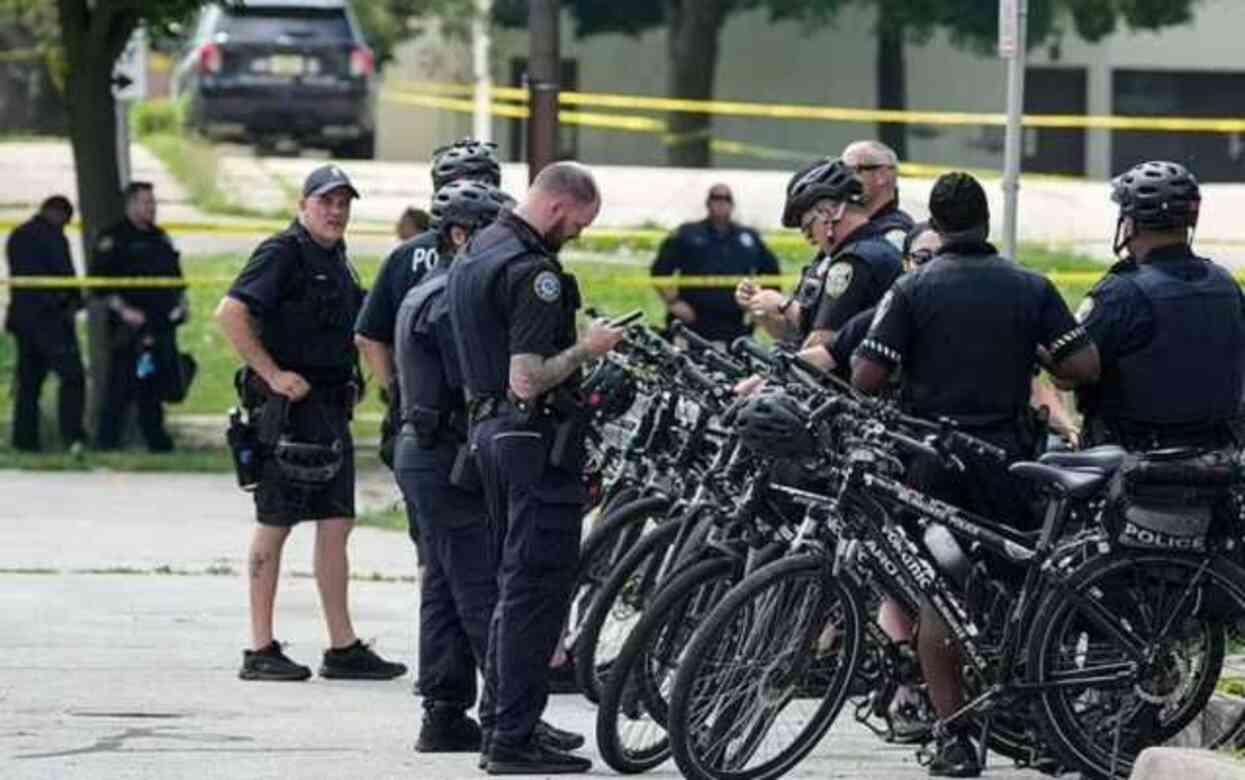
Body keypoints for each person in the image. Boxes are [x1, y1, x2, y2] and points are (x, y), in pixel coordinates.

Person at [852, 172, 1100, 777]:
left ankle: (957, 736)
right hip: (1010, 463)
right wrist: (1034, 352)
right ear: (987, 223)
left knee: (941, 592)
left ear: (934, 226)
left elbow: (865, 376)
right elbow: (1082, 364)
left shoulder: (914, 289)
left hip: (934, 464)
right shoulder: (1029, 285)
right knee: (1019, 581)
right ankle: (1039, 712)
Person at [448, 161, 623, 775]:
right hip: (531, 441)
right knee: (535, 592)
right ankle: (512, 740)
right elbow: (527, 378)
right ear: (556, 208)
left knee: (510, 587)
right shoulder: (535, 273)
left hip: (488, 438)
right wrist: (588, 349)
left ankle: (506, 722)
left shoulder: (478, 250)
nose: (575, 235)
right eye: (577, 224)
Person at [216, 163, 406, 683]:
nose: (336, 211)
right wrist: (273, 374)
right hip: (286, 415)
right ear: (303, 206)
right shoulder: (283, 252)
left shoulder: (337, 259)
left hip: (328, 409)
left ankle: (342, 647)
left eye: (344, 202)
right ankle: (259, 647)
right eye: (326, 201)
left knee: (337, 522)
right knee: (274, 525)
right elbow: (230, 313)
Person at [394, 180, 513, 752]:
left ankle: (443, 714)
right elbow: (479, 383)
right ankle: (511, 722)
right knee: (480, 590)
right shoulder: (449, 299)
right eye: (490, 232)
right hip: (445, 455)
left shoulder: (428, 288)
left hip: (425, 453)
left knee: (442, 588)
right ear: (461, 233)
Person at [354, 138, 502, 561]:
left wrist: (399, 389)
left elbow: (369, 335)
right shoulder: (494, 257)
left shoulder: (406, 255)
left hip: (419, 419)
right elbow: (367, 334)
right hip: (464, 421)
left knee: (433, 547)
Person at [1075, 160, 1245, 451]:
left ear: (1131, 223)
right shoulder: (1226, 284)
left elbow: (1070, 370)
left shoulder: (1121, 292)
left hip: (1133, 464)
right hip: (1219, 462)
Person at [739, 158, 903, 348]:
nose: (810, 240)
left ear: (828, 213)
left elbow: (820, 343)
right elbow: (795, 334)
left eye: (809, 228)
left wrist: (783, 305)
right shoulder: (835, 259)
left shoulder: (855, 260)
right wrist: (762, 310)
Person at [94, 182, 187, 452]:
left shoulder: (160, 238)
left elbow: (176, 278)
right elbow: (101, 284)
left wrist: (182, 304)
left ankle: (156, 441)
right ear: (131, 205)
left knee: (155, 386)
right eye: (146, 203)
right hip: (128, 326)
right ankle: (107, 442)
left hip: (160, 323)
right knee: (120, 385)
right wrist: (123, 310)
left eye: (153, 203)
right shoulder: (114, 238)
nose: (152, 208)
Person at [5, 195, 86, 453]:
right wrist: (75, 300)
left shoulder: (17, 235)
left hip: (23, 320)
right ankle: (72, 435)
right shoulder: (52, 238)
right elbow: (63, 276)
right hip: (51, 320)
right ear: (59, 214)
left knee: (29, 384)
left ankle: (24, 440)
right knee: (73, 377)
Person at [650, 183, 780, 343]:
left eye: (726, 199)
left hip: (734, 325)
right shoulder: (687, 234)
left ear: (732, 204)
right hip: (692, 323)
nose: (720, 203)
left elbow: (772, 275)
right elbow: (659, 271)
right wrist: (674, 302)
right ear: (707, 203)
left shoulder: (748, 238)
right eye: (715, 198)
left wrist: (760, 309)